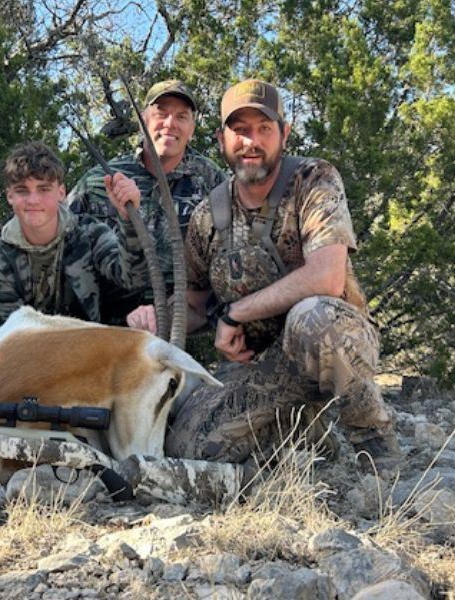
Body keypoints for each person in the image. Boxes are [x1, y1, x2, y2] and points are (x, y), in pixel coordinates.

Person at [131, 79, 400, 466]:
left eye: (263, 129)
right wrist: (153, 320)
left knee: (314, 318)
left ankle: (374, 445)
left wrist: (235, 314)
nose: (251, 142)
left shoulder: (314, 179)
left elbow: (327, 277)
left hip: (331, 343)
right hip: (262, 369)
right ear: (222, 139)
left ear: (284, 134)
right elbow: (193, 305)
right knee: (186, 447)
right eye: (240, 130)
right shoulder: (209, 215)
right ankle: (303, 431)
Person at [0, 80, 226, 325]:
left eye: (181, 116)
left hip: (182, 309)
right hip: (114, 311)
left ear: (192, 127)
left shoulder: (211, 179)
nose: (170, 124)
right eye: (161, 114)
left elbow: (238, 231)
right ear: (143, 120)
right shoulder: (100, 180)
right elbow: (50, 217)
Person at [0, 141, 144, 361]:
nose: (33, 200)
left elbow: (131, 278)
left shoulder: (90, 233)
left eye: (44, 189)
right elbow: (16, 331)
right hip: (32, 354)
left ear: (61, 192)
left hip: (91, 344)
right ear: (10, 196)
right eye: (22, 190)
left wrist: (129, 220)